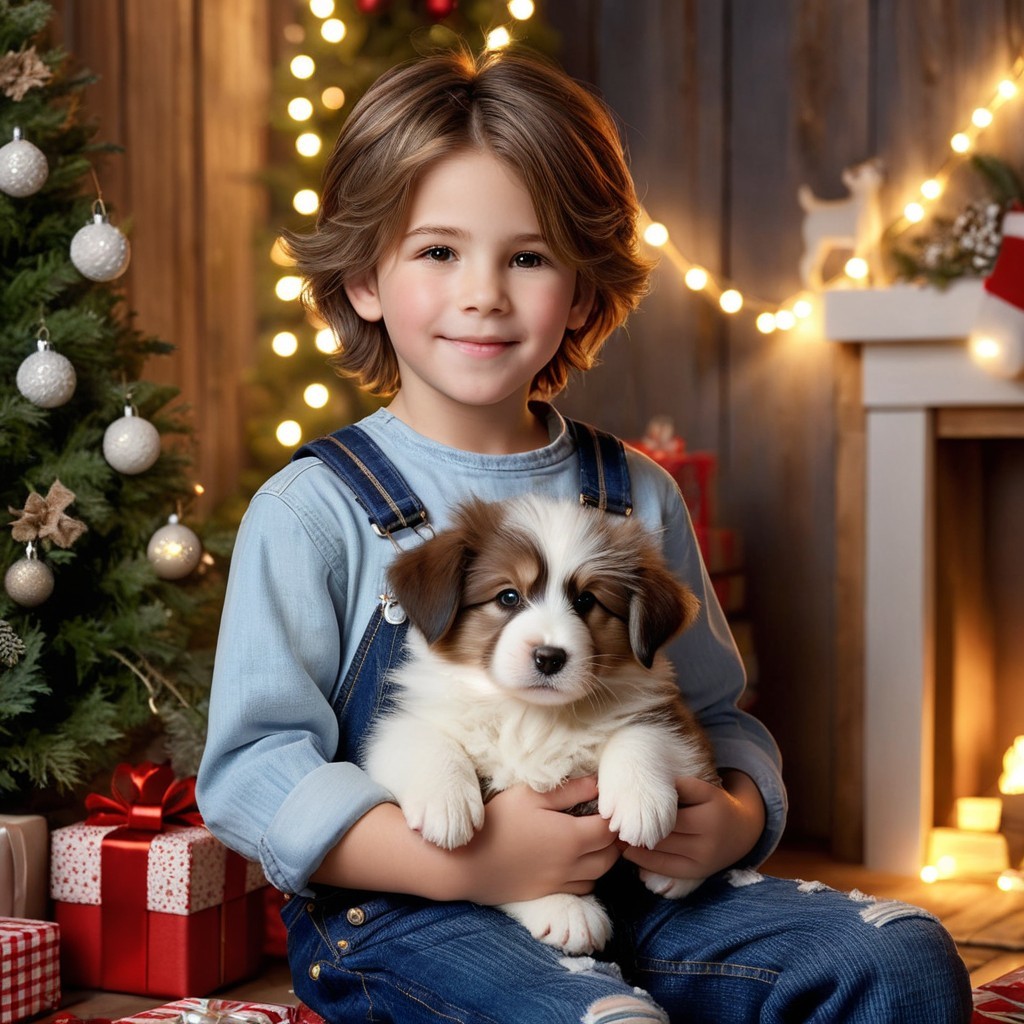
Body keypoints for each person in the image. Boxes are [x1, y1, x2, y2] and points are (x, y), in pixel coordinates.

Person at [196, 47, 972, 1024]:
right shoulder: (314, 509)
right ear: (362, 277)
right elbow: (254, 769)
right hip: (409, 912)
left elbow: (715, 713)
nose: (484, 292)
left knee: (900, 961)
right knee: (595, 1020)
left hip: (646, 894)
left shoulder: (631, 493)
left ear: (581, 282)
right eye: (438, 251)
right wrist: (475, 857)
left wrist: (731, 820)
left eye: (526, 255)